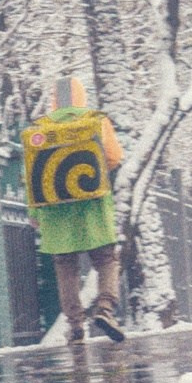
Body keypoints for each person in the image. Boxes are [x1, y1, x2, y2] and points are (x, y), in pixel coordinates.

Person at [23, 76, 126, 343]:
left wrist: (35, 213)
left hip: (56, 212)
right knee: (105, 259)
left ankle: (75, 324)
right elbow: (114, 158)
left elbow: (32, 174)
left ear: (54, 100)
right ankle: (105, 309)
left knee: (65, 266)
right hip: (92, 205)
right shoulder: (96, 121)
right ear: (82, 96)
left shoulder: (41, 128)